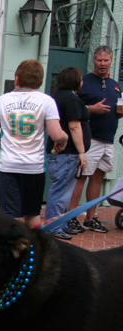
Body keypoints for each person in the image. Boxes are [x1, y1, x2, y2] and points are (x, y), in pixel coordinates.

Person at [0, 60, 67, 227]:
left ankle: (12, 251)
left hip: (8, 165)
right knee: (32, 214)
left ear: (17, 78)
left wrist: (4, 138)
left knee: (10, 216)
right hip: (34, 166)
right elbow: (57, 135)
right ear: (40, 81)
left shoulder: (2, 101)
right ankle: (34, 250)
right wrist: (64, 139)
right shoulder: (46, 101)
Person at [68, 45, 122, 234]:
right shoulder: (84, 82)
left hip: (108, 139)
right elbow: (73, 106)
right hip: (90, 139)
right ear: (94, 60)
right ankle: (71, 217)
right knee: (81, 177)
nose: (102, 64)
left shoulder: (116, 85)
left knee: (98, 178)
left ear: (111, 61)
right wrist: (92, 109)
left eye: (106, 60)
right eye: (99, 60)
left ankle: (91, 218)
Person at [45, 67, 90, 240]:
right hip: (67, 153)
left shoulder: (57, 98)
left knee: (64, 191)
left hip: (61, 154)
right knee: (60, 190)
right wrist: (82, 152)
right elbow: (74, 126)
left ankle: (61, 223)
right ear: (75, 80)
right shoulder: (70, 99)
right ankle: (53, 226)